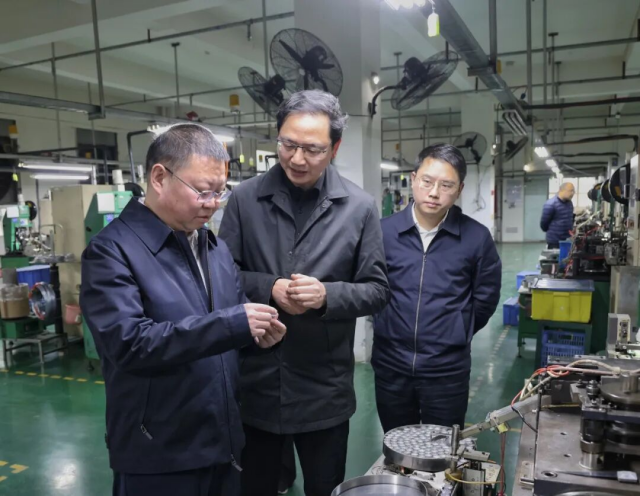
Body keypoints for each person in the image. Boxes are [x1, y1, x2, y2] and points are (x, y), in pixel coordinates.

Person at [80, 124, 286, 496]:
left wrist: (256, 337)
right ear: (159, 177)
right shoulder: (112, 252)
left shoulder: (214, 248)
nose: (213, 203)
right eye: (203, 191)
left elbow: (225, 330)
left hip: (222, 445)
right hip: (158, 454)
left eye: (220, 192)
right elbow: (128, 344)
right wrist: (231, 324)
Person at [218, 89, 390, 496]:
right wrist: (269, 287)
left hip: (323, 389)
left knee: (323, 487)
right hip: (257, 382)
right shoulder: (245, 200)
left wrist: (327, 295)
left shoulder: (359, 207)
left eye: (312, 149)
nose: (297, 159)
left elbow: (377, 290)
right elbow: (222, 276)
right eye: (288, 145)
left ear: (334, 148)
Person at [372, 143, 502, 433]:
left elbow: (486, 298)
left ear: (459, 189)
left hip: (447, 371)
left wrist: (457, 329)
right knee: (396, 444)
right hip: (391, 365)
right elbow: (370, 288)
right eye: (427, 181)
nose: (433, 193)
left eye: (446, 185)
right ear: (414, 179)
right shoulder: (383, 232)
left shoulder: (476, 238)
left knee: (443, 449)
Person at [540, 182, 575, 249]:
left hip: (567, 240)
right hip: (554, 242)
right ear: (561, 190)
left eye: (573, 191)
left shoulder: (569, 203)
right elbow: (544, 225)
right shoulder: (550, 204)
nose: (572, 193)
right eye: (570, 191)